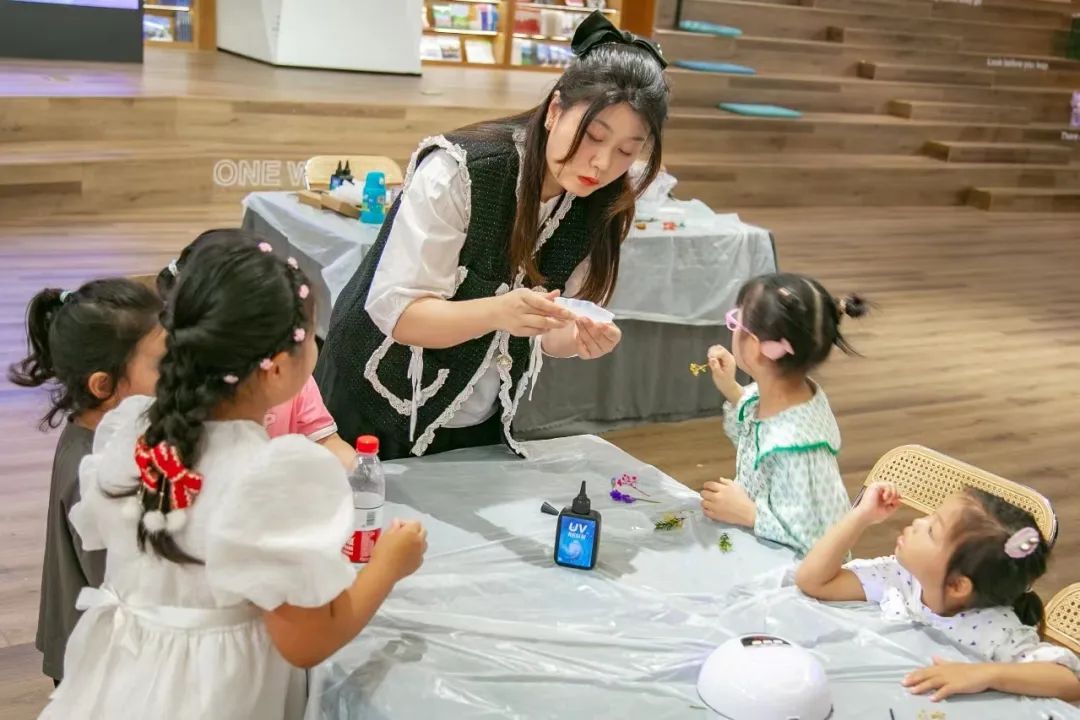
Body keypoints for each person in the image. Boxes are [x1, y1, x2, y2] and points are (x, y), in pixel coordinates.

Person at [41, 235, 427, 720]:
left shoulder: (133, 428)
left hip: (129, 673)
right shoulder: (270, 475)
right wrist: (388, 565)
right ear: (279, 369)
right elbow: (308, 640)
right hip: (213, 695)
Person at [316, 12, 670, 459]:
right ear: (555, 111)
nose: (601, 164)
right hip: (371, 400)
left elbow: (546, 333)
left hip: (476, 417)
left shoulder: (601, 205)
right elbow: (401, 315)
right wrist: (499, 312)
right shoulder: (460, 171)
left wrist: (577, 339)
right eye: (593, 137)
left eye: (626, 151)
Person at [8, 279, 164, 686]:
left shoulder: (97, 433)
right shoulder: (96, 469)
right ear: (104, 386)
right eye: (162, 365)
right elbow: (123, 586)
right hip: (99, 665)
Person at [796, 483, 1080, 703]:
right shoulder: (901, 579)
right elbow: (814, 581)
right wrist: (861, 516)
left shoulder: (993, 629)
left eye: (932, 531)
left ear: (957, 586)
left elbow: (1069, 680)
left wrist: (983, 674)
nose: (917, 522)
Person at [157, 229, 356, 470]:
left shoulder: (299, 385)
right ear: (277, 368)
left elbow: (327, 441)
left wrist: (360, 467)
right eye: (312, 336)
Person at [700, 272, 868, 555]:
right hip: (761, 547)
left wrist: (749, 513)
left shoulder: (798, 449)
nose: (732, 328)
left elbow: (820, 540)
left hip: (795, 572)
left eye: (736, 321)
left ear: (756, 348)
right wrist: (731, 388)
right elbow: (756, 433)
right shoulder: (783, 394)